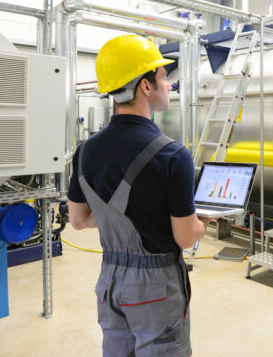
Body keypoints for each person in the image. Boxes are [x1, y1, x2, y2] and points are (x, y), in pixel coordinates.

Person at [68, 34, 210, 357]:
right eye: (163, 77)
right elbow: (186, 238)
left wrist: (117, 220)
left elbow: (78, 220)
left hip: (110, 285)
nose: (168, 84)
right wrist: (202, 222)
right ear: (145, 87)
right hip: (156, 289)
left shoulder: (85, 151)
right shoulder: (174, 155)